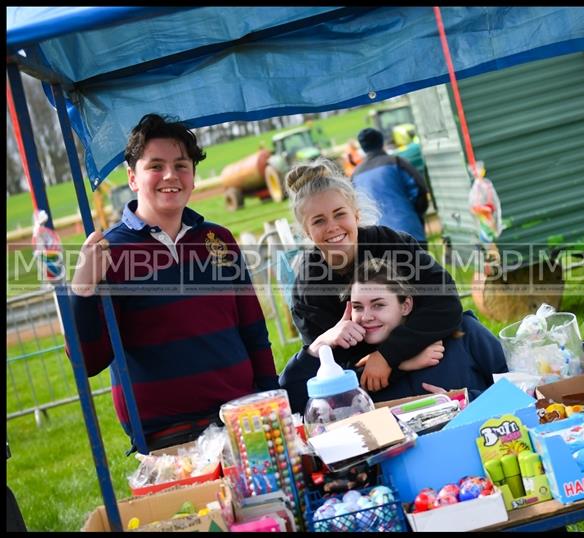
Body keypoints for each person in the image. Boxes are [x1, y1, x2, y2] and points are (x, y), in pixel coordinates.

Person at [68, 113, 279, 453]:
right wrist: (81, 291)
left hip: (242, 418)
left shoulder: (219, 239)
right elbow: (88, 362)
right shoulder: (109, 252)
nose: (170, 175)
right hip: (166, 438)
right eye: (155, 166)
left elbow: (253, 330)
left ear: (193, 177)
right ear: (132, 177)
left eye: (181, 165)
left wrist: (272, 398)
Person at [277, 159, 463, 413]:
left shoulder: (391, 243)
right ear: (306, 232)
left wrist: (389, 355)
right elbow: (328, 377)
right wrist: (400, 363)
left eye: (340, 214)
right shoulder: (308, 291)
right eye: (318, 221)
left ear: (356, 215)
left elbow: (445, 302)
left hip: (432, 357)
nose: (332, 227)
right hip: (369, 399)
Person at [281, 257, 507, 410]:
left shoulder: (464, 333)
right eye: (358, 307)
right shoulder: (357, 369)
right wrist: (319, 344)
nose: (366, 316)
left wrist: (463, 401)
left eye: (378, 305)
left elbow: (519, 387)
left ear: (405, 305)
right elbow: (290, 398)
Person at [352, 127, 429, 248]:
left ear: (363, 147)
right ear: (381, 142)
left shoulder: (355, 175)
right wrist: (417, 213)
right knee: (422, 266)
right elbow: (419, 189)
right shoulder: (396, 162)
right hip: (409, 229)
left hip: (378, 240)